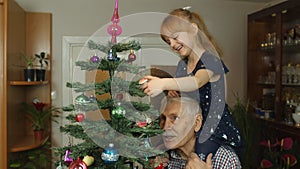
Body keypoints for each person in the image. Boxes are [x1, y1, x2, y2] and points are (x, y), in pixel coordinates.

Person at [141, 8, 244, 161]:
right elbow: (185, 93)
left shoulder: (211, 60)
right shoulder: (182, 65)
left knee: (196, 159)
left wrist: (164, 83)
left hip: (213, 129)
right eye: (168, 41)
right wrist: (174, 92)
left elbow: (197, 81)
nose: (172, 44)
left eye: (175, 38)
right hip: (192, 127)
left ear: (194, 29)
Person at [157, 97, 241, 169]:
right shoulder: (161, 158)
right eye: (163, 119)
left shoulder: (225, 159)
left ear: (197, 122)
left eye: (174, 118)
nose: (165, 127)